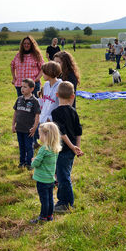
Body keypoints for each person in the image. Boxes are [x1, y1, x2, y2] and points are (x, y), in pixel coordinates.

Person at [51, 82, 83, 213]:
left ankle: (67, 203)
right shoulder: (73, 111)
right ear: (73, 96)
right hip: (70, 150)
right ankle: (62, 200)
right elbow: (78, 131)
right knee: (62, 175)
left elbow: (62, 133)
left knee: (63, 177)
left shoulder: (56, 112)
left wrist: (72, 147)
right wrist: (77, 147)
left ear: (57, 95)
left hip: (64, 149)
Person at [30, 122, 61, 224]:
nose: (39, 136)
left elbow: (36, 163)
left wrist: (33, 161)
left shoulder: (44, 149)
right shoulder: (55, 148)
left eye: (40, 134)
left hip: (42, 179)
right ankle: (49, 215)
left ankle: (43, 217)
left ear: (46, 136)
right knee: (50, 198)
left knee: (44, 199)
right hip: (50, 178)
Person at [12, 79, 40, 170]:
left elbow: (37, 115)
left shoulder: (34, 101)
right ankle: (22, 162)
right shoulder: (19, 99)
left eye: (25, 87)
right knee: (21, 146)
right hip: (19, 128)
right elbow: (15, 113)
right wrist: (13, 125)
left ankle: (30, 163)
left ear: (32, 89)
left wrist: (35, 127)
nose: (22, 89)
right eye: (21, 86)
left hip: (29, 130)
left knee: (29, 147)